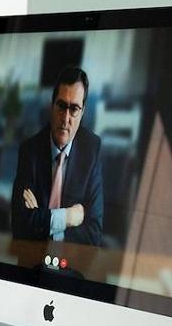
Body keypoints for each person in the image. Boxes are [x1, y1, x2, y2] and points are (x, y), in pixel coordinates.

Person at [11, 66, 104, 247]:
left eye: (74, 109)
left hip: (72, 263)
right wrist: (68, 217)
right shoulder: (29, 151)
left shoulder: (92, 149)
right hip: (32, 260)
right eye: (61, 106)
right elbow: (20, 227)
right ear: (52, 105)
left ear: (82, 112)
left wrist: (41, 221)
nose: (66, 118)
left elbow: (94, 235)